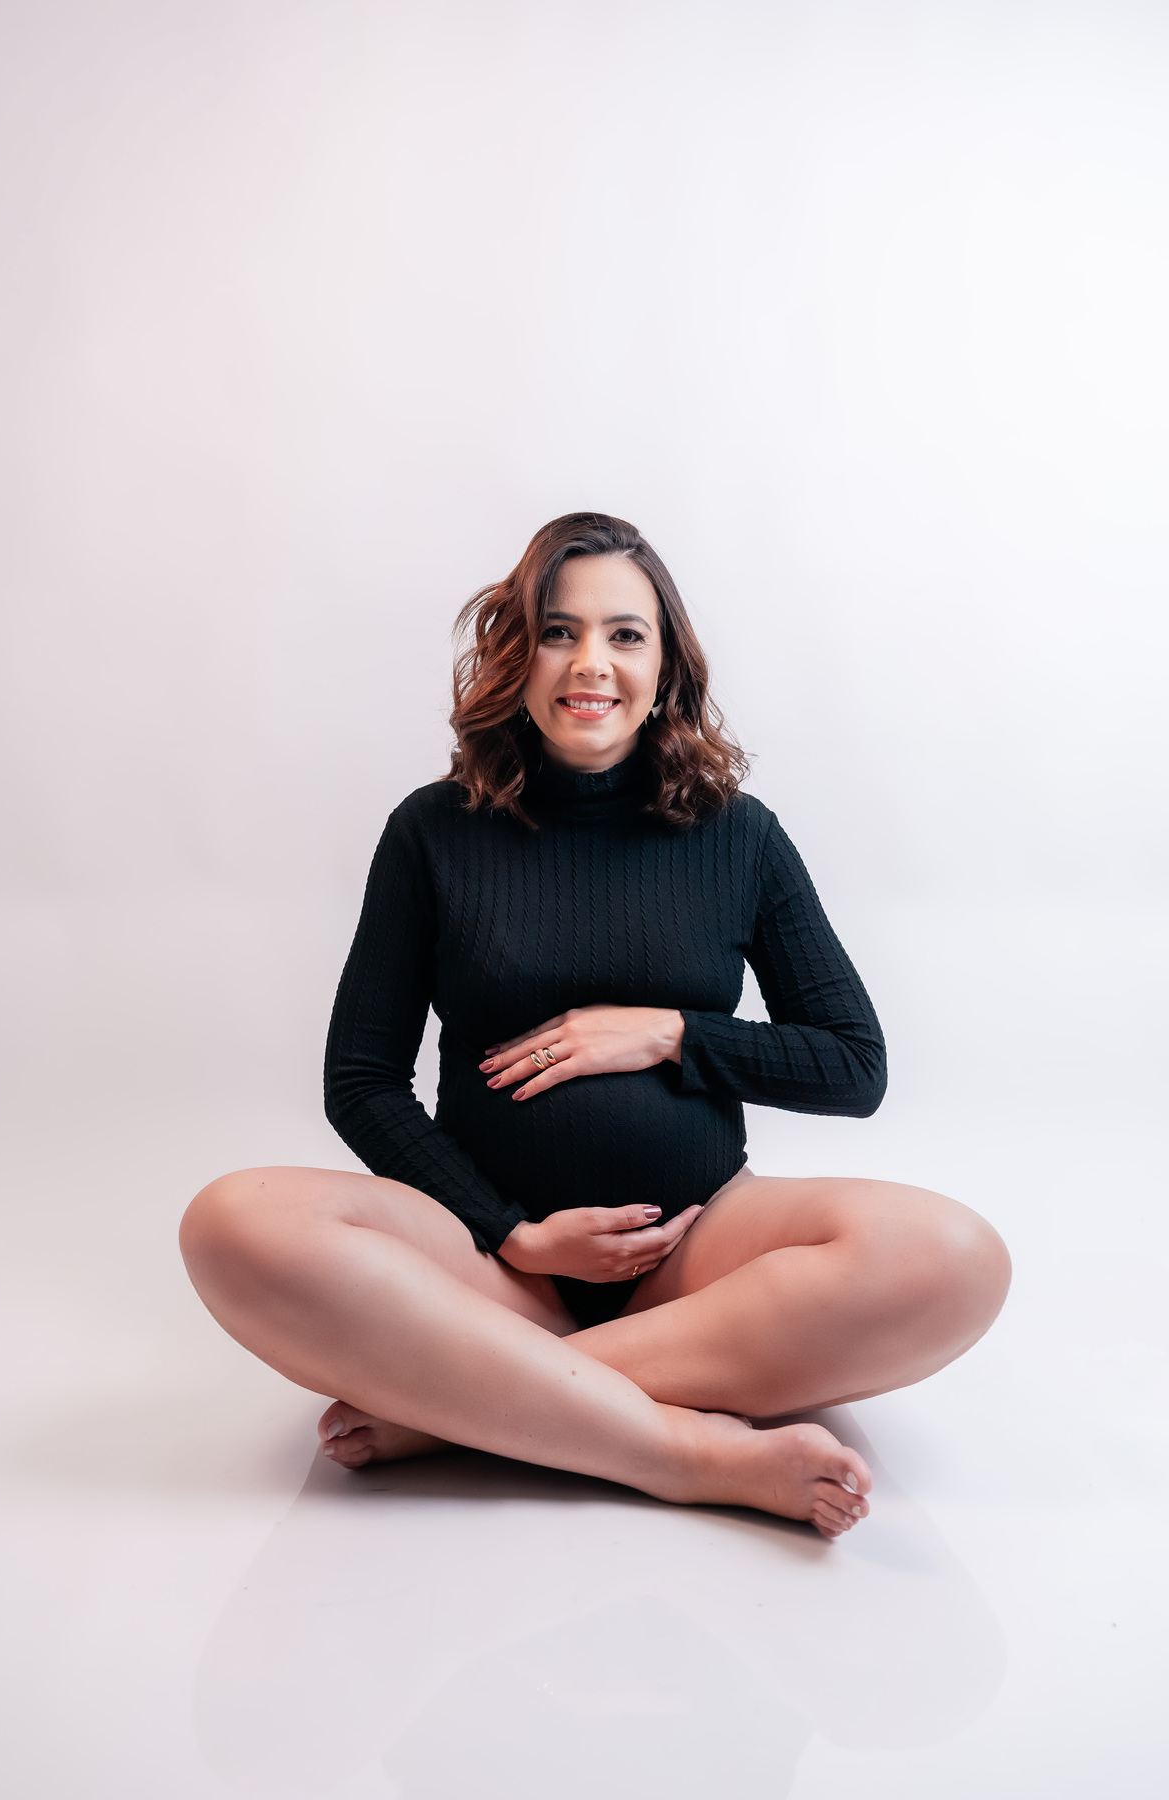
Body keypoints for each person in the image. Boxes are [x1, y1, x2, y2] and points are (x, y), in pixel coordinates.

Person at [180, 513, 1010, 1539]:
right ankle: (684, 1453)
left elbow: (853, 1065)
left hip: (695, 1255)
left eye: (625, 635)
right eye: (558, 632)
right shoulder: (432, 832)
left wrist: (670, 1033)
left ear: (665, 669)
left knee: (954, 1255)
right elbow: (361, 1080)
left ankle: (458, 1408)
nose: (591, 664)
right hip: (485, 1269)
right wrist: (513, 1234)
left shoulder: (739, 836)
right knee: (233, 1220)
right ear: (517, 658)